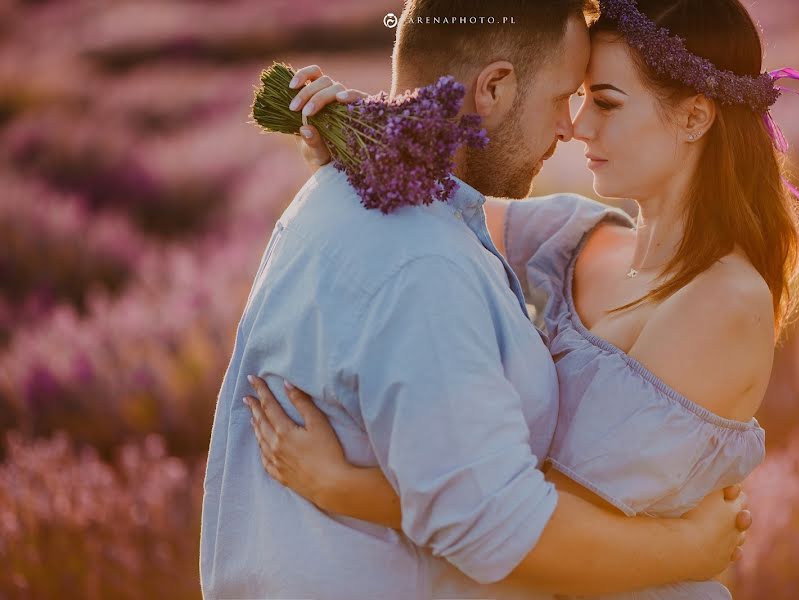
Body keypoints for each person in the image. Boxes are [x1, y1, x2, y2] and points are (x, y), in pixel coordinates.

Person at [201, 1, 755, 598]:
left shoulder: (341, 200)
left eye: (602, 101)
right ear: (493, 88)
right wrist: (692, 549)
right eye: (565, 96)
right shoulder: (427, 263)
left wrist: (369, 134)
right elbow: (496, 524)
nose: (572, 127)